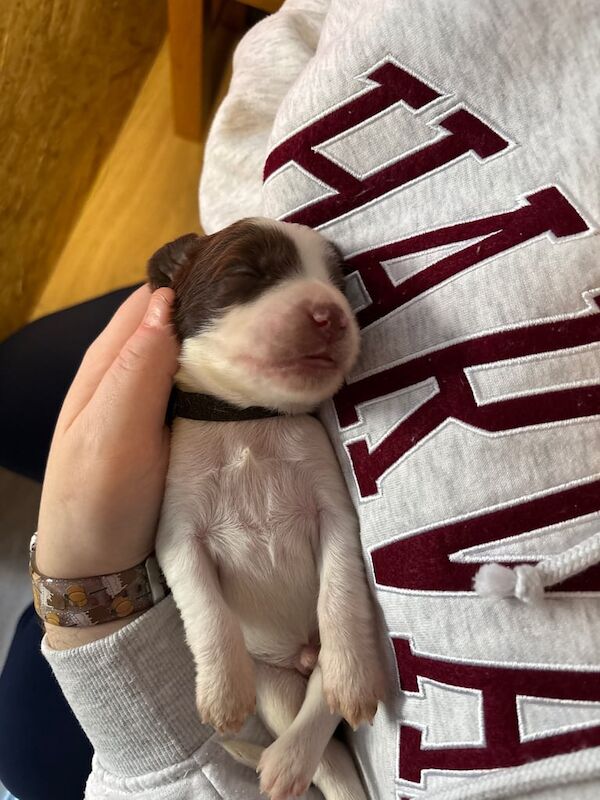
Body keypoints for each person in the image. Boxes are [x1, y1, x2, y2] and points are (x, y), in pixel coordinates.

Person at [2, 0, 600, 797]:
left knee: (27, 742)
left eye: (340, 292)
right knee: (14, 388)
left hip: (239, 635)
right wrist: (240, 213)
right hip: (248, 317)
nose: (333, 308)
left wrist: (87, 596)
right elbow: (292, 38)